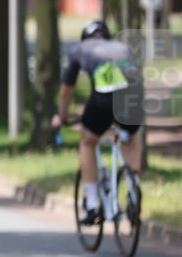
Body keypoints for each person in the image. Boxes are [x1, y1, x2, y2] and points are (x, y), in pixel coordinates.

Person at [50, 20, 143, 224]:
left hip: (104, 100)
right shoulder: (122, 47)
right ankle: (133, 189)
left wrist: (61, 116)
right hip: (132, 99)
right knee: (129, 139)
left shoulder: (79, 50)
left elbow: (66, 91)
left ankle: (92, 204)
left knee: (87, 140)